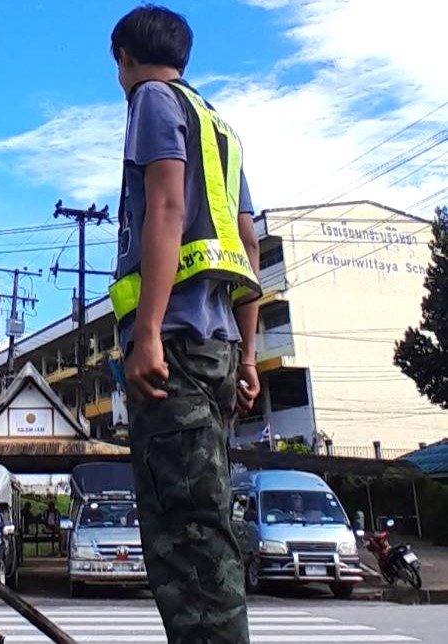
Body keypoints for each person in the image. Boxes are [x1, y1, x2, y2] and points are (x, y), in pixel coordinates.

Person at [108, 6, 263, 644]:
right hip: (218, 349)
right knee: (207, 523)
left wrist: (146, 333)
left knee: (186, 540)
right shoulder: (217, 125)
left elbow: (166, 206)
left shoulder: (150, 99)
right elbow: (248, 244)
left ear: (123, 57)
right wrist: (248, 356)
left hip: (174, 345)